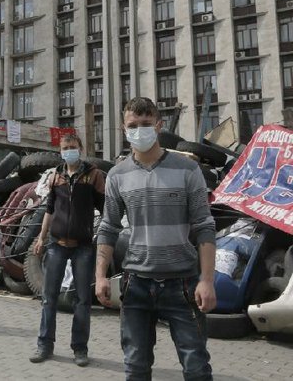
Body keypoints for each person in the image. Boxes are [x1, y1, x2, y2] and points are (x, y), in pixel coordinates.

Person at [95, 97, 217, 380]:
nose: (139, 131)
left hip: (183, 285)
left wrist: (207, 281)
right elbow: (108, 227)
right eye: (133, 125)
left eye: (146, 124)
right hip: (136, 284)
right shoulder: (117, 175)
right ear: (124, 129)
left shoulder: (188, 170)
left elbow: (204, 226)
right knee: (136, 368)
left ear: (159, 126)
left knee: (196, 368)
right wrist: (101, 276)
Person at [30, 134, 105, 367]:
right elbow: (49, 211)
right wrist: (41, 239)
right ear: (60, 151)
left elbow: (105, 209)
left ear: (80, 149)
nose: (69, 151)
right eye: (65, 148)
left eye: (73, 147)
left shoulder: (94, 175)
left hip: (83, 247)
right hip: (56, 245)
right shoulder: (55, 177)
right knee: (48, 297)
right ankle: (44, 345)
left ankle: (80, 349)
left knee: (82, 300)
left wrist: (102, 237)